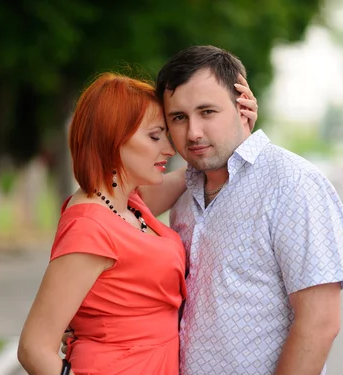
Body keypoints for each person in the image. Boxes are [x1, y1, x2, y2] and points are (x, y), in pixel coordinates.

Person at [17, 72, 257, 375]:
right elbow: (34, 347)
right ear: (113, 138)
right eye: (155, 136)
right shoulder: (90, 223)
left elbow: (196, 171)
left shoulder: (130, 205)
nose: (169, 150)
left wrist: (236, 128)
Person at [155, 45, 343, 375]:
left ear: (243, 107)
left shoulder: (292, 184)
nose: (193, 132)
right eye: (179, 117)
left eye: (207, 112)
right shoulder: (185, 197)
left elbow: (319, 323)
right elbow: (110, 206)